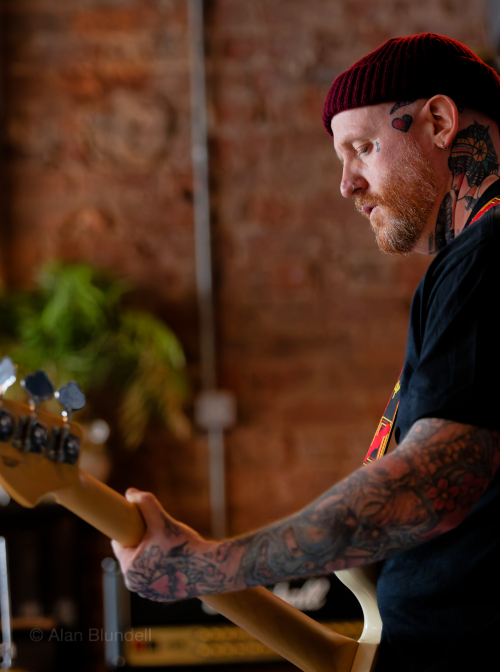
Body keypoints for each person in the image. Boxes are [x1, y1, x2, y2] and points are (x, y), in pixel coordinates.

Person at [112, 34, 500, 671]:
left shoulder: (487, 254)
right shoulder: (465, 262)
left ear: (438, 121)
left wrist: (205, 566)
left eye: (362, 148)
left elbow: (433, 483)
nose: (346, 185)